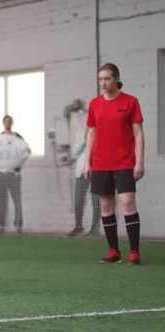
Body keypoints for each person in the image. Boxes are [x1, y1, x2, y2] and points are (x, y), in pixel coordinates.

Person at [83, 63, 144, 265]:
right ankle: (113, 251)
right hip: (100, 164)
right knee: (107, 206)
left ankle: (134, 252)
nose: (103, 83)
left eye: (107, 79)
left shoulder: (131, 102)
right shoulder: (94, 104)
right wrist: (87, 162)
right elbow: (91, 133)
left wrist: (139, 162)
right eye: (100, 79)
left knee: (127, 204)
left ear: (117, 78)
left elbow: (138, 134)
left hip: (125, 163)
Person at [0, 115, 27, 233]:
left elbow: (25, 151)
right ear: (3, 123)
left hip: (14, 174)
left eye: (9, 121)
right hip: (1, 174)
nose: (7, 123)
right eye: (6, 121)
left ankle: (18, 224)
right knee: (1, 200)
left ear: (12, 123)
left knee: (17, 200)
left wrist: (18, 165)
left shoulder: (17, 137)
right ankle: (0, 225)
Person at [68, 121, 101, 237]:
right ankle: (78, 226)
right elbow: (75, 152)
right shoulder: (81, 132)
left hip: (97, 171)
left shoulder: (102, 131)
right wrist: (85, 138)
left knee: (96, 202)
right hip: (82, 171)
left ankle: (94, 229)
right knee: (78, 200)